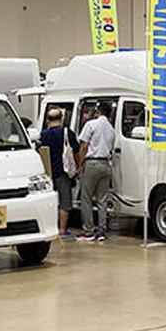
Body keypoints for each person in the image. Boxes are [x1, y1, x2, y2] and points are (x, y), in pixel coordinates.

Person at [75, 103, 116, 242]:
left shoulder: (91, 124)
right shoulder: (111, 129)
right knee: (102, 199)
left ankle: (88, 231)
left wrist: (80, 165)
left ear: (98, 111)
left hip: (92, 163)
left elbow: (84, 146)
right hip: (106, 164)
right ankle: (102, 230)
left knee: (86, 198)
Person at [39, 108, 79, 240]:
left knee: (48, 201)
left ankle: (49, 228)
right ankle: (62, 230)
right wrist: (78, 167)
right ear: (61, 118)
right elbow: (76, 151)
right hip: (64, 172)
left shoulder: (42, 135)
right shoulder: (67, 133)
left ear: (47, 120)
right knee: (64, 201)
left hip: (47, 172)